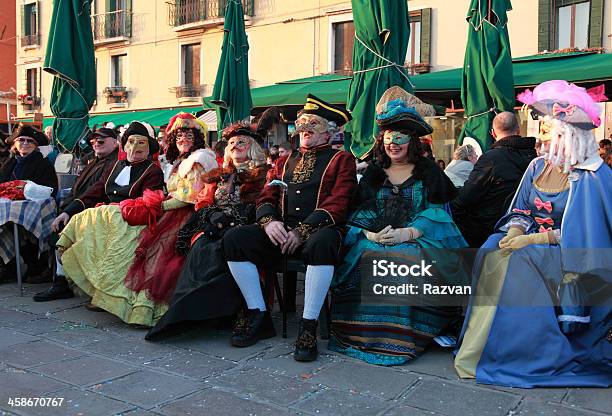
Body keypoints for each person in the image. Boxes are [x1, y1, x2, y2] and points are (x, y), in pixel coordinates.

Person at [455, 80, 612, 387]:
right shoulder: (536, 166)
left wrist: (535, 239)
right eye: (543, 131)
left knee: (518, 263)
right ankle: (479, 350)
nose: (542, 139)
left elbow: (587, 235)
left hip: (567, 255)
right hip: (531, 239)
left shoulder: (592, 175)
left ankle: (519, 354)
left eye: (549, 133)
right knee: (491, 249)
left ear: (570, 136)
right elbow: (521, 208)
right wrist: (515, 230)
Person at [328, 86, 466, 365]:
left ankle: (408, 335)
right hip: (376, 237)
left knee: (407, 258)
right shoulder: (374, 174)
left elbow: (438, 210)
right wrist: (369, 232)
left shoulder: (429, 173)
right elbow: (359, 210)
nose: (393, 144)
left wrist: (410, 231)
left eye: (400, 138)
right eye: (389, 138)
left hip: (420, 236)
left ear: (412, 142)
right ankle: (364, 334)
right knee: (369, 254)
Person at [223, 94, 357, 362]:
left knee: (322, 243)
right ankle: (258, 314)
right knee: (235, 238)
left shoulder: (342, 160)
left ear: (329, 131)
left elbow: (339, 203)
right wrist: (269, 221)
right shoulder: (284, 162)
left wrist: (302, 231)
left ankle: (308, 325)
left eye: (313, 125)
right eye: (302, 125)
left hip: (320, 231)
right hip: (281, 230)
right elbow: (266, 197)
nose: (305, 131)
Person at [146, 122, 270, 339]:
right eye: (231, 143)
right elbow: (203, 201)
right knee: (201, 246)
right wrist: (212, 216)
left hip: (246, 226)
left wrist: (235, 219)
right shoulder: (218, 175)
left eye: (241, 142)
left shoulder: (263, 174)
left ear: (252, 147)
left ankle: (235, 311)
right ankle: (190, 312)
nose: (235, 146)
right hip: (215, 225)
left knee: (226, 247)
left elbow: (266, 202)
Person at [55, 121, 165, 320]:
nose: (135, 148)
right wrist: (69, 211)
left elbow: (150, 203)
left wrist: (120, 210)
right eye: (130, 142)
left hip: (133, 220)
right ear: (124, 145)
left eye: (141, 143)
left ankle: (109, 296)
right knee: (80, 226)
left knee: (115, 244)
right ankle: (68, 282)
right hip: (107, 216)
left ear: (149, 148)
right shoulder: (115, 166)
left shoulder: (152, 171)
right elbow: (96, 191)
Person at [123, 113, 218, 317]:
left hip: (188, 215)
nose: (183, 140)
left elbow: (188, 197)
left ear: (197, 139)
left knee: (163, 256)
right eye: (179, 137)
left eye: (189, 136)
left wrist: (158, 207)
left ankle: (158, 310)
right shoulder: (180, 161)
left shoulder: (199, 160)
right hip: (174, 211)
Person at [33, 127, 120, 302]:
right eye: (93, 141)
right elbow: (78, 188)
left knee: (61, 233)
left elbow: (97, 190)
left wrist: (69, 210)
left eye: (101, 140)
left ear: (115, 142)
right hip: (82, 207)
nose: (96, 143)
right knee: (50, 227)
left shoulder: (115, 162)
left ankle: (61, 283)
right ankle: (50, 272)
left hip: (99, 211)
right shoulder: (95, 160)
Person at [451, 112, 536, 247]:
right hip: (528, 225)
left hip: (490, 229)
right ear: (518, 130)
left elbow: (466, 197)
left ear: (493, 133)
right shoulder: (535, 158)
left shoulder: (490, 159)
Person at [0, 124, 57, 282]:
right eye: (21, 140)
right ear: (15, 144)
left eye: (29, 141)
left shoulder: (43, 164)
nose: (24, 143)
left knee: (21, 227)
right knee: (4, 226)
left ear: (35, 145)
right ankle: (9, 266)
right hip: (9, 207)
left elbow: (51, 189)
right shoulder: (10, 163)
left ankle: (38, 267)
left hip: (33, 209)